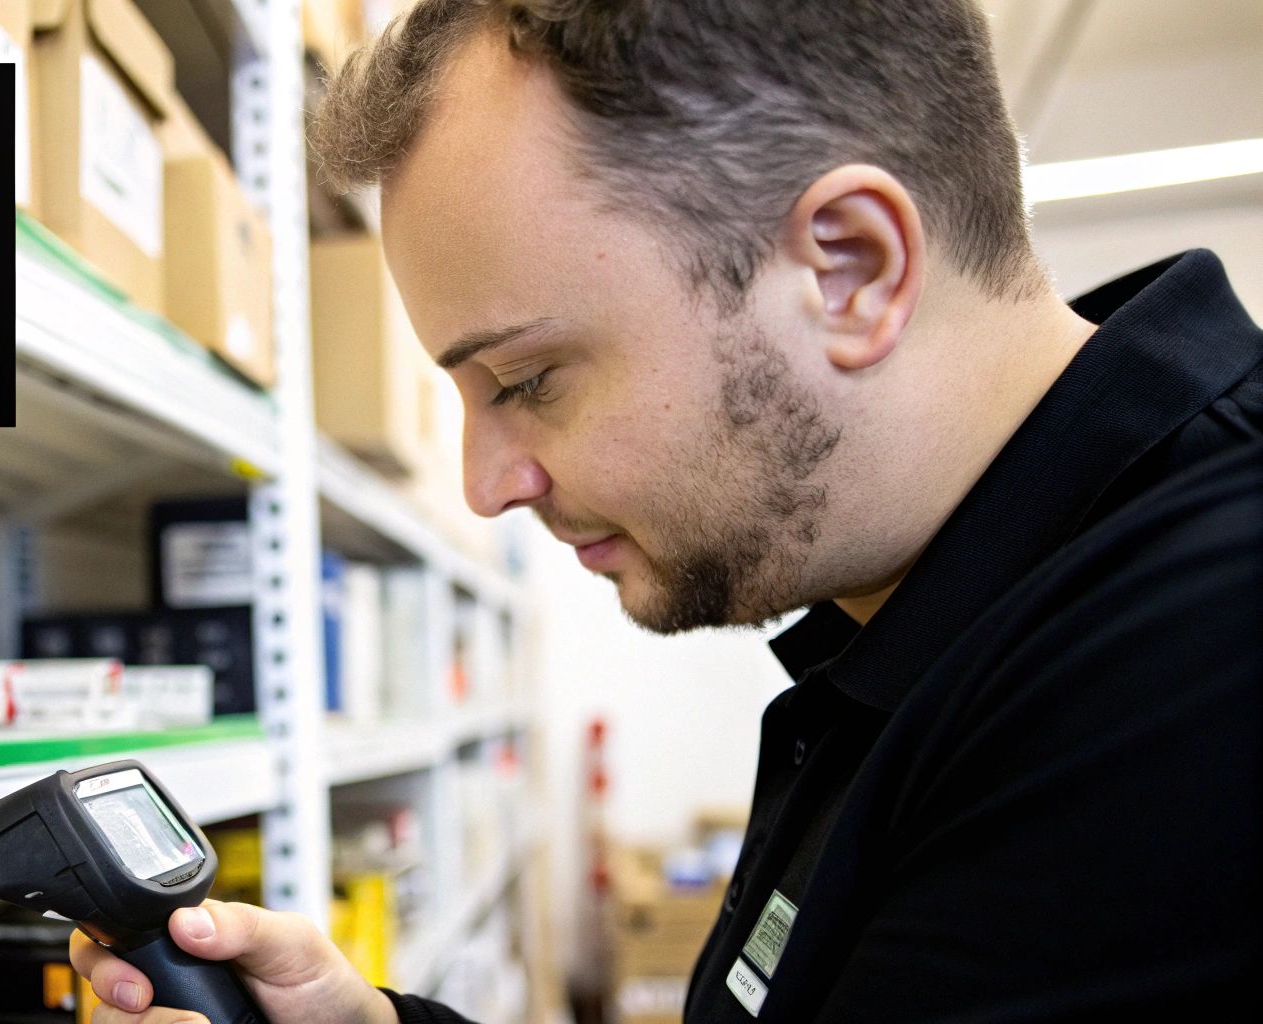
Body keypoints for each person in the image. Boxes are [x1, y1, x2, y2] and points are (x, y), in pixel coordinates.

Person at [72, 0, 1263, 1020]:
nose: (486, 484)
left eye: (526, 380)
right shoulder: (940, 612)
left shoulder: (1194, 655)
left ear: (849, 270)